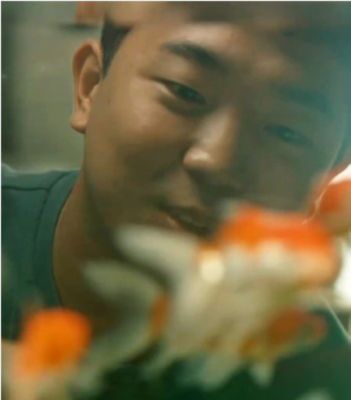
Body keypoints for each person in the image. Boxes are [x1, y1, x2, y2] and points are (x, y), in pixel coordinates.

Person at [2, 2, 351, 399]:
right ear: (90, 85)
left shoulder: (321, 376)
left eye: (287, 132)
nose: (216, 160)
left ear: (324, 180)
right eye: (185, 91)